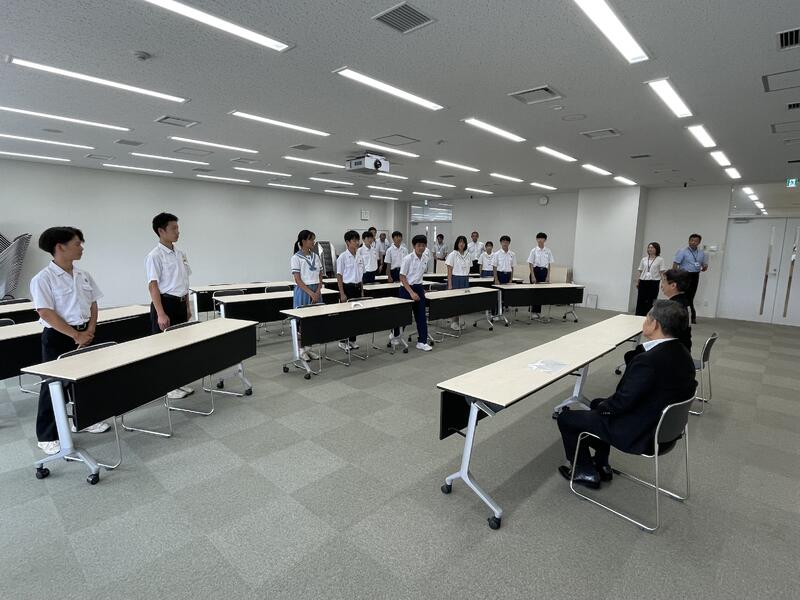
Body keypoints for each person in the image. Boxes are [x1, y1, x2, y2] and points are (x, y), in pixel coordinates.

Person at [556, 300, 697, 489]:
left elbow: (622, 402)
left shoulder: (648, 361)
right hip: (664, 428)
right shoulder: (683, 353)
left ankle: (584, 472)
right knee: (597, 404)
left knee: (567, 418)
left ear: (655, 324)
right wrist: (601, 406)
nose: (644, 321)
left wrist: (601, 409)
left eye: (647, 318)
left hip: (640, 432)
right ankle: (601, 464)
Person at [30, 226, 109, 455]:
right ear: (60, 247)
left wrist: (90, 329)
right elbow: (46, 312)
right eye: (77, 243)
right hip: (59, 336)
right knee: (53, 385)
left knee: (84, 381)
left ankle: (83, 421)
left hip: (85, 333)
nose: (81, 247)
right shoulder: (43, 278)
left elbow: (93, 303)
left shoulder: (83, 275)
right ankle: (47, 436)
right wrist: (75, 335)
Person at [146, 212, 194, 400]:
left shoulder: (180, 254)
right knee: (164, 348)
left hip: (180, 304)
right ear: (161, 231)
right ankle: (167, 386)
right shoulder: (155, 256)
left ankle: (178, 381)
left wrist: (188, 306)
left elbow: (185, 282)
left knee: (179, 346)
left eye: (177, 228)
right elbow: (153, 286)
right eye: (173, 228)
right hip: (165, 305)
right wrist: (160, 313)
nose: (177, 231)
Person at [392, 234, 433, 352]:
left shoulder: (425, 258)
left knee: (421, 316)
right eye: (419, 245)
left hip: (418, 287)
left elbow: (419, 275)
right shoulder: (408, 259)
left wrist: (420, 288)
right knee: (403, 316)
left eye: (423, 245)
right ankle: (395, 335)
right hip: (406, 288)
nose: (421, 248)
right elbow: (402, 277)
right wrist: (411, 292)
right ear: (414, 246)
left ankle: (422, 342)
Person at [291, 229, 323, 361]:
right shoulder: (296, 258)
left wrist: (318, 291)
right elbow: (298, 280)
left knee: (314, 322)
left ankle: (309, 349)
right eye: (311, 239)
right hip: (303, 291)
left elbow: (320, 275)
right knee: (302, 322)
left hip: (316, 290)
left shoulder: (316, 256)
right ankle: (301, 350)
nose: (313, 242)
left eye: (314, 239)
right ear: (303, 241)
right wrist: (311, 293)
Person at [336, 230, 366, 352]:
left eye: (357, 240)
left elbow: (361, 276)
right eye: (354, 240)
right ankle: (343, 341)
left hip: (357, 287)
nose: (357, 242)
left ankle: (352, 340)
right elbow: (339, 276)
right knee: (346, 316)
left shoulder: (360, 256)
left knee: (356, 316)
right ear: (348, 242)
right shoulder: (343, 257)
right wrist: (342, 293)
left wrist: (362, 291)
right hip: (347, 288)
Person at [672, 233, 707, 324]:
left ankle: (690, 314)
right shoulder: (682, 251)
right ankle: (683, 314)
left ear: (699, 242)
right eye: (691, 240)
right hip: (684, 275)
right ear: (688, 241)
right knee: (683, 295)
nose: (693, 242)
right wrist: (674, 276)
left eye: (696, 241)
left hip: (695, 275)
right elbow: (675, 264)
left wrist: (704, 267)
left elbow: (704, 266)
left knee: (691, 295)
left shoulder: (701, 253)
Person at [445, 235, 472, 330]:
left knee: (463, 301)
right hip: (455, 279)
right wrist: (450, 284)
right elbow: (449, 270)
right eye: (460, 242)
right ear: (457, 243)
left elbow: (468, 270)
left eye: (463, 242)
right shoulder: (453, 254)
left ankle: (461, 320)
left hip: (465, 279)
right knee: (455, 301)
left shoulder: (468, 255)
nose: (462, 244)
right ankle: (454, 321)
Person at [634, 242, 667, 316]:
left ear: (656, 249)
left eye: (652, 247)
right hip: (643, 282)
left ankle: (650, 316)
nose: (650, 249)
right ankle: (639, 315)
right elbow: (640, 271)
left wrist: (664, 283)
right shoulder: (644, 259)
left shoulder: (660, 259)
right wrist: (638, 281)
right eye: (649, 247)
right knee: (641, 299)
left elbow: (661, 272)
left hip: (654, 282)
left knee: (651, 300)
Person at [527, 232, 554, 315]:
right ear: (536, 239)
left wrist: (548, 276)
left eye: (542, 238)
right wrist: (533, 275)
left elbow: (549, 264)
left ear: (545, 240)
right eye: (538, 238)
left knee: (540, 293)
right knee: (534, 292)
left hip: (544, 272)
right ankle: (533, 311)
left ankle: (537, 311)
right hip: (535, 271)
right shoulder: (534, 251)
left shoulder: (548, 251)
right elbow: (530, 263)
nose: (540, 240)